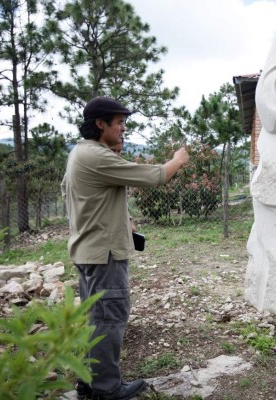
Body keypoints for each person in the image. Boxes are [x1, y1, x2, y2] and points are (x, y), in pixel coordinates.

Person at [62, 96, 189, 400]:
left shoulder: (81, 153)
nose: (123, 128)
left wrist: (123, 219)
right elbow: (155, 176)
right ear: (100, 124)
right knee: (110, 318)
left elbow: (88, 197)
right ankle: (107, 388)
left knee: (96, 319)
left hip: (88, 250)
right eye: (119, 122)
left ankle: (88, 382)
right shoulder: (97, 156)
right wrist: (178, 160)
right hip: (104, 254)